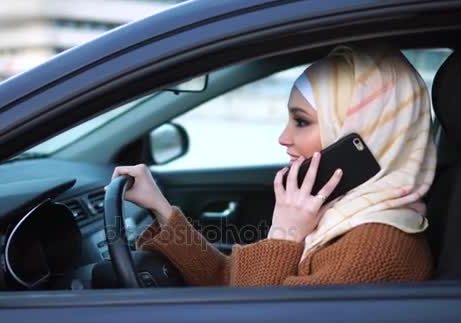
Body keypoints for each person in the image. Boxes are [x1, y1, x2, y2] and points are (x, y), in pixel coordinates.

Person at [110, 44, 435, 287]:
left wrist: (285, 233)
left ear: (364, 131)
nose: (283, 137)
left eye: (301, 121)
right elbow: (231, 280)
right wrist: (160, 208)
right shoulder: (342, 217)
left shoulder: (374, 248)